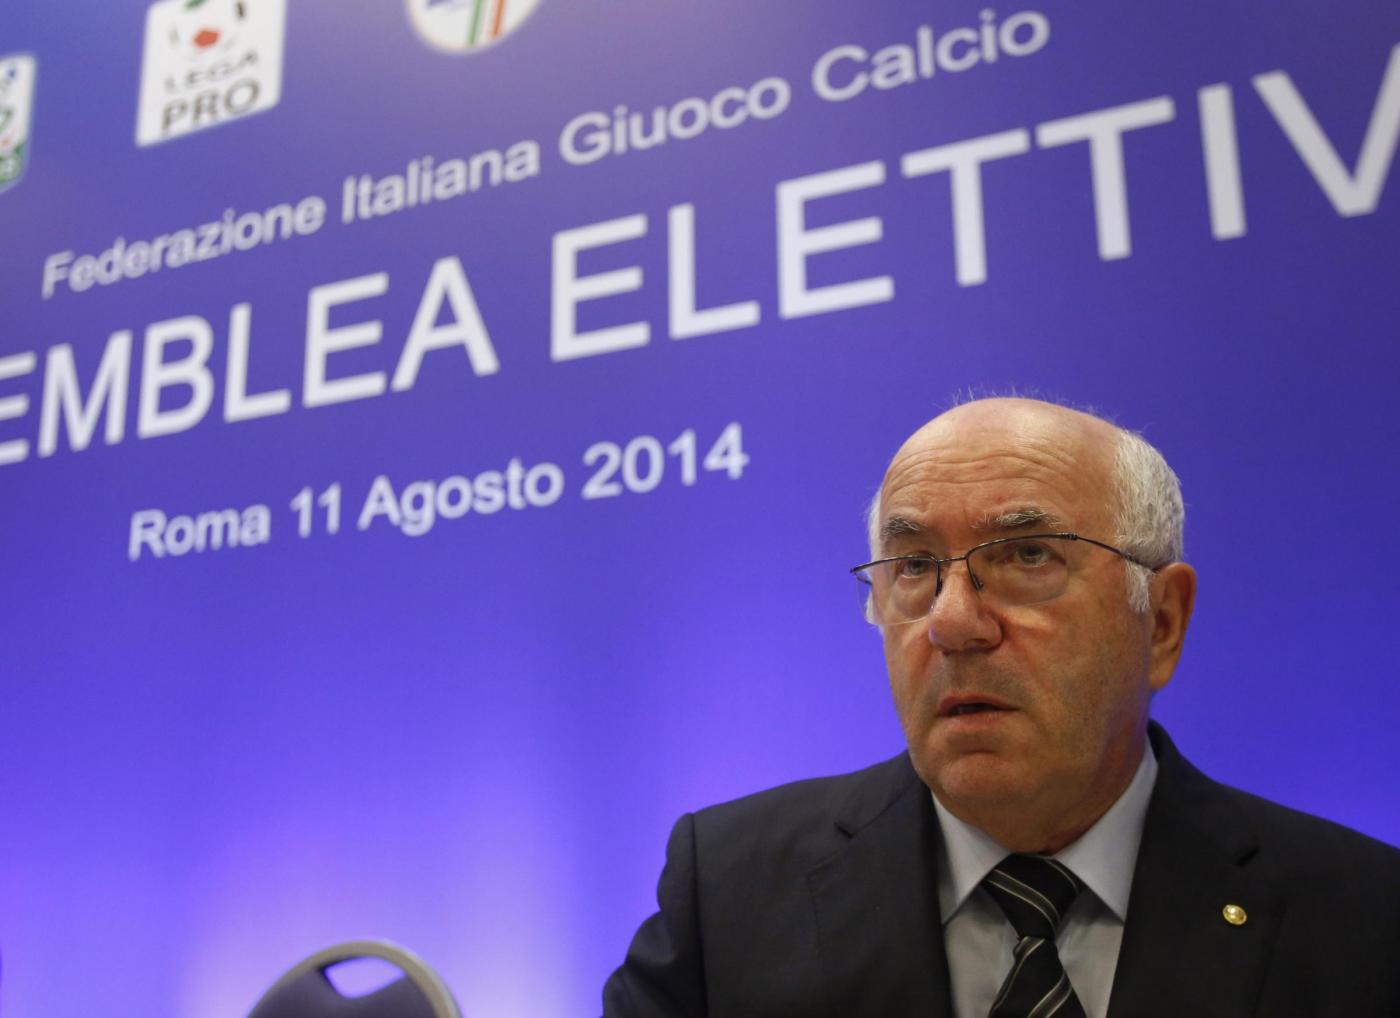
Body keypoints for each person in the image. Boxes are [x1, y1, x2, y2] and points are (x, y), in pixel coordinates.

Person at [601, 397, 1400, 1018]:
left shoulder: (1363, 918)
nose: (951, 623)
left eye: (1027, 555)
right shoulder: (730, 891)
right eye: (914, 566)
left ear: (1160, 622)